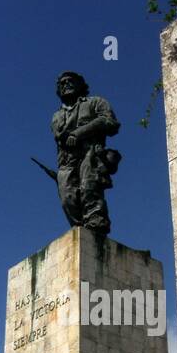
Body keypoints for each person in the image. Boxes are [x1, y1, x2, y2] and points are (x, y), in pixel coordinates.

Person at [50, 71, 120, 235]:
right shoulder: (57, 115)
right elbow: (59, 136)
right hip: (66, 161)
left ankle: (96, 228)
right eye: (63, 83)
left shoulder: (95, 102)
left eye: (71, 80)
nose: (67, 84)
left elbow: (110, 122)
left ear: (81, 84)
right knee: (67, 198)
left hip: (91, 154)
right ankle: (82, 231)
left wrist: (79, 133)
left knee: (89, 190)